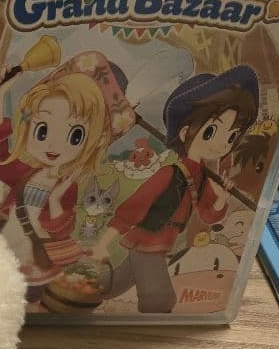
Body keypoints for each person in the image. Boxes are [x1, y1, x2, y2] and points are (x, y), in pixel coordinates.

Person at [90, 66, 259, 313]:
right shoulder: (170, 173)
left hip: (161, 243)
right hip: (147, 242)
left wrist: (221, 199)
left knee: (115, 285)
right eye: (211, 131)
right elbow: (133, 208)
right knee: (160, 299)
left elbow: (208, 215)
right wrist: (102, 243)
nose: (222, 144)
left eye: (231, 137)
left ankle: (82, 291)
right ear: (185, 132)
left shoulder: (204, 177)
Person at [0, 50, 132, 292]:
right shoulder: (25, 173)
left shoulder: (68, 186)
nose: (53, 145)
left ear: (95, 140)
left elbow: (62, 230)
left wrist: (55, 200)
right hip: (6, 248)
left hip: (37, 256)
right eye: (43, 130)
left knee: (28, 295)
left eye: (75, 135)